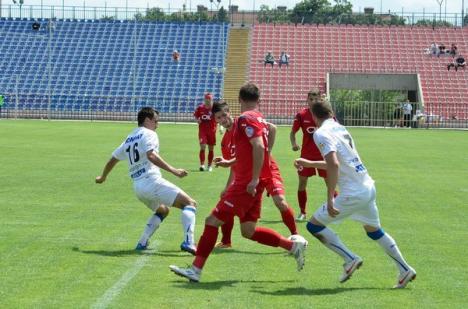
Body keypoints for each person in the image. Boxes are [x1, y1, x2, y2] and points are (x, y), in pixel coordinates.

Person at [169, 83, 308, 282]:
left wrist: (253, 178)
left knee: (211, 221)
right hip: (252, 181)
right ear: (257, 99)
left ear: (240, 100)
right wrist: (231, 162)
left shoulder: (245, 118)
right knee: (248, 231)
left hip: (246, 183)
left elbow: (258, 146)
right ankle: (293, 246)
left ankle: (195, 270)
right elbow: (250, 151)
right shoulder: (258, 117)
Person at [294, 99, 416, 289]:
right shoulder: (340, 128)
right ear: (331, 112)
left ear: (313, 116)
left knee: (314, 226)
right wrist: (310, 163)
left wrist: (330, 198)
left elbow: (334, 165)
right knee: (374, 231)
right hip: (367, 186)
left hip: (353, 192)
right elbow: (339, 163)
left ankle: (350, 259)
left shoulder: (321, 133)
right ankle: (405, 269)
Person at [95, 107, 197, 254]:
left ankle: (142, 242)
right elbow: (151, 155)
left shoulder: (130, 138)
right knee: (190, 204)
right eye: (156, 120)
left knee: (163, 210)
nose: (157, 124)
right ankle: (189, 242)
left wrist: (103, 176)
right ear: (147, 119)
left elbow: (113, 159)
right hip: (152, 182)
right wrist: (174, 170)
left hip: (138, 187)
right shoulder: (150, 134)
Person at [211, 101, 298, 248]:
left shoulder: (243, 123)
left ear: (230, 112)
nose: (223, 120)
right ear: (216, 120)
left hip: (267, 170)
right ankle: (226, 241)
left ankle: (296, 236)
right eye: (219, 118)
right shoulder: (225, 141)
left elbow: (272, 128)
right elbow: (236, 165)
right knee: (226, 199)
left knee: (280, 202)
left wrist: (267, 152)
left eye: (224, 115)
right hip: (248, 176)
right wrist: (228, 185)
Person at [290, 89, 337, 221]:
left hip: (324, 155)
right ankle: (302, 212)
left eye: (316, 99)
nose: (314, 102)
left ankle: (337, 208)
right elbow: (292, 133)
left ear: (320, 100)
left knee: (330, 183)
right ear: (307, 100)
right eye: (311, 99)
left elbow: (336, 130)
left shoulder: (327, 115)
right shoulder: (301, 115)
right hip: (306, 155)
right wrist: (294, 143)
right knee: (302, 183)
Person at [193, 92, 217, 171]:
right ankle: (202, 165)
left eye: (209, 99)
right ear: (204, 99)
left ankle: (209, 166)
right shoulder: (200, 108)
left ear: (212, 100)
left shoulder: (214, 109)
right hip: (202, 131)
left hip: (212, 131)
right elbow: (196, 116)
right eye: (206, 99)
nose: (208, 100)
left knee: (211, 149)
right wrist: (197, 120)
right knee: (202, 146)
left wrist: (221, 127)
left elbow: (219, 117)